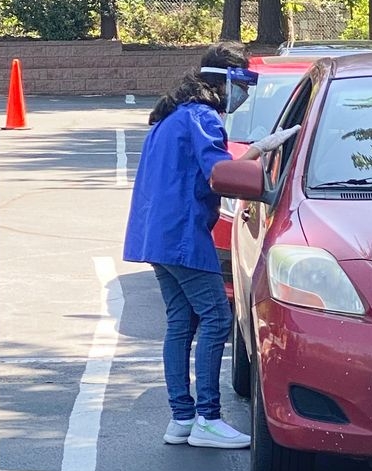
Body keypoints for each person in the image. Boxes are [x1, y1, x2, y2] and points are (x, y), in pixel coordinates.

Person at [124, 41, 299, 449]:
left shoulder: (172, 116)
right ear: (227, 82)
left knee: (180, 324)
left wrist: (256, 148)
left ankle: (181, 418)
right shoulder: (203, 116)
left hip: (155, 236)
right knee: (217, 320)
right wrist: (261, 151)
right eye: (243, 88)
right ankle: (207, 418)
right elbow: (219, 173)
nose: (244, 97)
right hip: (184, 235)